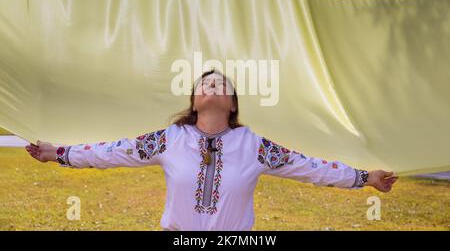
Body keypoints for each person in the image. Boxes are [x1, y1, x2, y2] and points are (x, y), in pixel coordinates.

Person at [25, 69, 398, 231]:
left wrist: (365, 178)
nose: (212, 86)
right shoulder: (169, 139)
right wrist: (57, 153)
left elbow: (311, 167)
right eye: (206, 83)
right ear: (194, 99)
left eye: (221, 84)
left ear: (233, 104)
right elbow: (111, 152)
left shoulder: (254, 146)